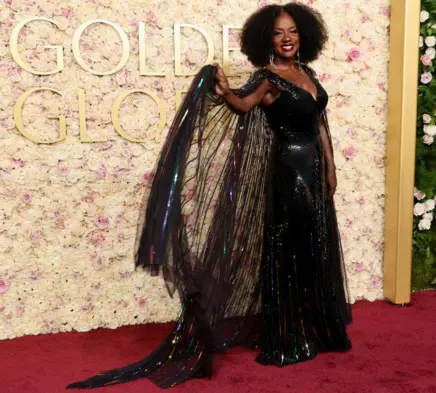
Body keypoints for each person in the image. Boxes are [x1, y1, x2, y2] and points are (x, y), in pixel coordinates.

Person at [67, 3, 352, 390]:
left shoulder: (308, 74)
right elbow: (241, 105)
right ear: (266, 40)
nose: (286, 39)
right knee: (288, 249)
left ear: (304, 36)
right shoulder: (267, 78)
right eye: (278, 33)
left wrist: (331, 168)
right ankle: (286, 337)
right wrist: (223, 89)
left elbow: (319, 121)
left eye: (293, 32)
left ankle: (313, 327)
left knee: (312, 246)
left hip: (315, 172)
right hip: (288, 172)